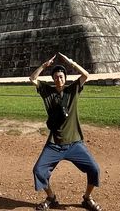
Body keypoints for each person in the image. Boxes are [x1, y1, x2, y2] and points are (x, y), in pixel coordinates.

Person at [29, 52, 102, 211]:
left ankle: (87, 198)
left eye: (61, 76)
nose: (58, 79)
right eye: (56, 77)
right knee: (38, 170)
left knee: (94, 169)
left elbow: (86, 75)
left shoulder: (73, 90)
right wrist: (44, 66)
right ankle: (51, 197)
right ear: (53, 79)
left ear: (65, 78)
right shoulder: (47, 92)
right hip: (54, 144)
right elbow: (32, 79)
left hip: (74, 143)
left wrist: (71, 62)